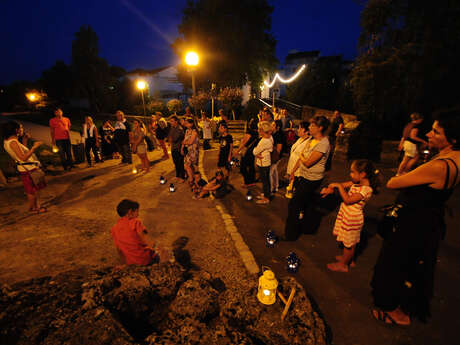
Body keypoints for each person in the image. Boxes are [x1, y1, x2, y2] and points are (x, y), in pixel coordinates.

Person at [371, 110, 459, 326]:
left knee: (393, 264)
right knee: (412, 265)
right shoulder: (455, 158)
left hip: (413, 222)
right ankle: (403, 303)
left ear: (453, 139)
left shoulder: (440, 166)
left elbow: (393, 182)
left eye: (436, 132)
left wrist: (403, 176)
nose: (429, 134)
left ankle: (392, 310)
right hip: (429, 220)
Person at [321, 160, 380, 272]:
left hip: (353, 219)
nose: (350, 174)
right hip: (348, 216)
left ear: (362, 174)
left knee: (349, 244)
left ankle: (343, 264)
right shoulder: (357, 183)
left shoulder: (365, 190)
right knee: (348, 242)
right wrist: (331, 188)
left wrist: (338, 186)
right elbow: (342, 185)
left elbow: (348, 200)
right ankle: (348, 259)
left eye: (353, 172)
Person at [284, 116, 330, 241]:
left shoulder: (323, 144)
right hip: (303, 176)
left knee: (294, 204)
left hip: (312, 179)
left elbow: (308, 162)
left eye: (312, 125)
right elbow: (302, 158)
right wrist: (293, 171)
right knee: (307, 203)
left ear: (320, 128)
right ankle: (307, 228)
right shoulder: (311, 140)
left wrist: (302, 157)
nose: (309, 127)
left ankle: (290, 234)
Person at [3, 121, 47, 213]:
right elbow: (23, 157)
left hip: (25, 168)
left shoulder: (8, 141)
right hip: (27, 169)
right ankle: (34, 208)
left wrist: (24, 141)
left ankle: (34, 206)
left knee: (31, 189)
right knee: (31, 190)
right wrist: (34, 147)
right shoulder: (13, 142)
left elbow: (22, 153)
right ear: (16, 130)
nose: (22, 129)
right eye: (21, 128)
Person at [111, 199, 170, 265]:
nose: (138, 214)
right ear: (130, 212)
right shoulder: (135, 223)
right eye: (137, 211)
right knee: (166, 256)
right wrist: (163, 250)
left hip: (131, 262)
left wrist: (125, 264)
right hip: (144, 259)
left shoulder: (114, 229)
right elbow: (148, 241)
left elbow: (119, 250)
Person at [234, 118, 259, 187]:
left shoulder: (249, 132)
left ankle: (247, 182)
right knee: (251, 167)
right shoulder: (257, 133)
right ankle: (252, 181)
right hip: (252, 152)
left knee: (242, 168)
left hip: (247, 152)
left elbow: (244, 143)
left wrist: (237, 150)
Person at [253, 121, 273, 204]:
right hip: (265, 162)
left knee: (265, 181)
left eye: (259, 129)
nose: (258, 131)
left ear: (262, 131)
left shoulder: (265, 141)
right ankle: (265, 194)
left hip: (263, 163)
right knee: (266, 180)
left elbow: (255, 151)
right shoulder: (269, 138)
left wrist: (255, 151)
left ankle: (266, 198)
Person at [270, 120, 286, 194]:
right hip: (275, 156)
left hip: (275, 157)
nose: (271, 126)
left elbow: (279, 148)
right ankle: (276, 186)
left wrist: (275, 158)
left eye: (273, 125)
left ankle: (272, 188)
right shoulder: (275, 134)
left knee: (271, 172)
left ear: (278, 127)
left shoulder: (278, 135)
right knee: (274, 171)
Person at [182, 118, 199, 185]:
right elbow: (184, 141)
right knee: (186, 165)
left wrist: (184, 142)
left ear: (191, 124)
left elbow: (190, 142)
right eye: (185, 123)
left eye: (187, 123)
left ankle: (195, 179)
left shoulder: (194, 132)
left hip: (193, 151)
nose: (185, 124)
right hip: (187, 150)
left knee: (193, 166)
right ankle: (191, 178)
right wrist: (182, 148)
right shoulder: (186, 131)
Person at [168, 116, 186, 181]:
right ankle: (177, 175)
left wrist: (170, 139)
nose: (170, 122)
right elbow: (169, 136)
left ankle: (183, 177)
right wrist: (170, 139)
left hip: (179, 148)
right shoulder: (172, 128)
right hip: (173, 148)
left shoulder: (179, 129)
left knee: (180, 163)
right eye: (170, 121)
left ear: (176, 121)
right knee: (175, 162)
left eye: (172, 121)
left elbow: (175, 139)